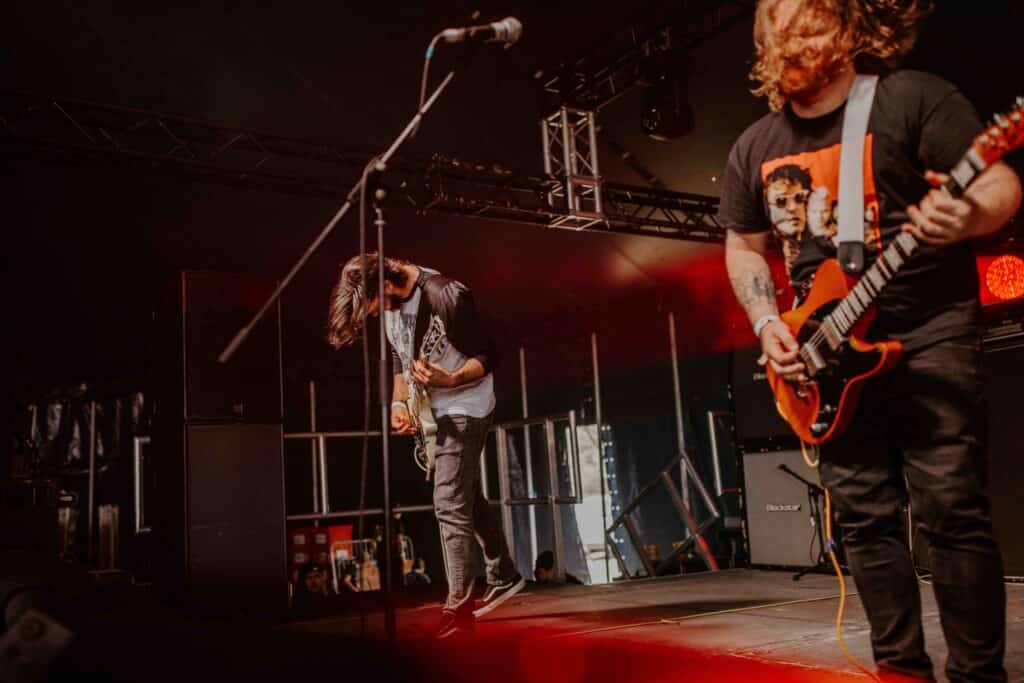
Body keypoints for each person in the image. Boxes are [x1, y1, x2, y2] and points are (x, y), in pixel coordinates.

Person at [718, 1, 1021, 681]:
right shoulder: (754, 147)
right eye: (774, 18)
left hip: (929, 332)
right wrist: (770, 326)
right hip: (822, 358)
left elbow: (1000, 183)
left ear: (849, 25)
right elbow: (743, 246)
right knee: (864, 520)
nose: (788, 27)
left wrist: (967, 213)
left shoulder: (913, 98)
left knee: (951, 510)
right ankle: (899, 670)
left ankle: (978, 675)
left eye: (805, 14)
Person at [326, 253, 525, 639]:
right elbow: (402, 363)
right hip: (433, 411)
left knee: (448, 499)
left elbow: (489, 356)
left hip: (466, 404)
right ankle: (503, 574)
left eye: (369, 307)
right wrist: (401, 405)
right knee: (465, 492)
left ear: (384, 284)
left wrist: (450, 380)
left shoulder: (445, 295)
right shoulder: (390, 309)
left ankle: (458, 610)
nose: (371, 315)